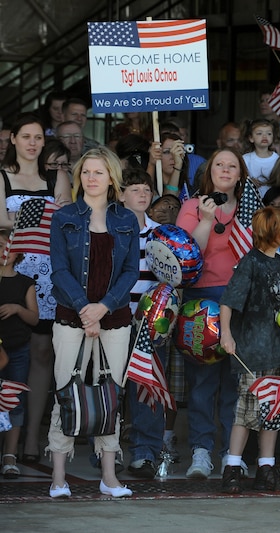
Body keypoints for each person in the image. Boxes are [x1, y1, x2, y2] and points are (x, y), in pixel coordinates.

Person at [47, 147, 140, 498]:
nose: (91, 178)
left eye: (98, 172)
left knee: (111, 398)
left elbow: (131, 271)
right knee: (65, 394)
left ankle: (109, 478)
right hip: (71, 316)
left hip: (114, 318)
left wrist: (103, 308)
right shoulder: (64, 217)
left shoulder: (126, 219)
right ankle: (58, 478)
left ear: (111, 177)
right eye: (86, 172)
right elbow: (59, 269)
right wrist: (85, 308)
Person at [175, 148, 251, 479]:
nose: (224, 169)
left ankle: (231, 454)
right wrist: (207, 220)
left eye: (231, 165)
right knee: (202, 383)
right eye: (219, 164)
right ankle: (201, 451)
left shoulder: (249, 210)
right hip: (201, 300)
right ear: (209, 171)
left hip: (238, 301)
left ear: (240, 174)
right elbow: (187, 253)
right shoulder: (193, 206)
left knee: (236, 381)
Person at [0, 114, 72, 465]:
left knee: (42, 353)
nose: (32, 143)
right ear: (12, 138)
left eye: (37, 138)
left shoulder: (55, 176)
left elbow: (67, 221)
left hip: (47, 277)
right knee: (9, 353)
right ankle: (8, 441)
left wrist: (22, 218)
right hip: (9, 276)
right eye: (24, 136)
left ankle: (31, 438)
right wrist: (38, 215)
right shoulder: (1, 176)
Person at [217, 206, 280, 493]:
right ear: (276, 232)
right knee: (246, 411)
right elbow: (228, 301)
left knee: (273, 410)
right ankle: (233, 466)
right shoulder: (250, 263)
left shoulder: (279, 263)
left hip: (277, 347)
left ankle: (266, 466)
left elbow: (277, 307)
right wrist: (226, 334)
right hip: (252, 350)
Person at [119, 168, 164, 479]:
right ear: (121, 194)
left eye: (146, 188)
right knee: (111, 387)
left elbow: (172, 278)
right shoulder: (109, 229)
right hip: (114, 319)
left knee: (146, 388)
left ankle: (145, 453)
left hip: (149, 322)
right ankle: (106, 451)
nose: (142, 193)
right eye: (134, 188)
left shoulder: (162, 234)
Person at [0, 228, 39, 479]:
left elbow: (34, 319)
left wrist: (16, 308)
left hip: (17, 349)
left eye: (8, 246)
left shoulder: (25, 282)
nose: (4, 251)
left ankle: (10, 455)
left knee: (15, 402)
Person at [241, 118, 279, 194]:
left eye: (269, 134)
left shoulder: (277, 159)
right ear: (251, 138)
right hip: (251, 198)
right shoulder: (246, 159)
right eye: (259, 133)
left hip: (272, 199)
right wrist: (249, 182)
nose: (265, 136)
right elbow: (240, 178)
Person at [147, 132, 186, 199]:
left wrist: (178, 165)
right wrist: (151, 164)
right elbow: (168, 201)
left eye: (177, 151)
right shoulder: (150, 189)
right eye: (167, 152)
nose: (173, 157)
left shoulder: (189, 189)